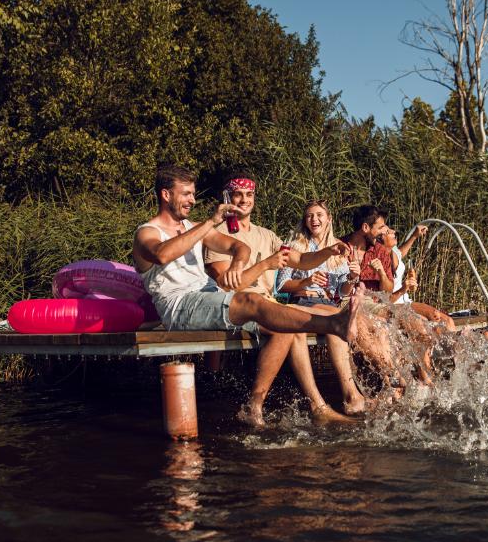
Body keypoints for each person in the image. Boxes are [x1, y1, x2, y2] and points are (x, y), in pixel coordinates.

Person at [131, 164, 363, 425]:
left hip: (208, 298)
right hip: (179, 305)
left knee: (281, 325)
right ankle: (334, 324)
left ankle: (255, 406)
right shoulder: (147, 232)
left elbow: (239, 246)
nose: (192, 200)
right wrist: (210, 223)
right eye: (186, 194)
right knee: (252, 300)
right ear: (166, 195)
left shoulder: (198, 228)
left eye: (193, 194)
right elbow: (162, 254)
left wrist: (238, 262)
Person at [205, 180, 368, 422]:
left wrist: (328, 252)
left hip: (268, 304)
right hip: (237, 305)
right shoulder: (217, 235)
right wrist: (266, 265)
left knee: (295, 323)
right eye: (237, 195)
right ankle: (317, 403)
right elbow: (227, 285)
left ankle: (331, 401)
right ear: (227, 197)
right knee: (292, 324)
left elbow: (300, 260)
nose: (244, 200)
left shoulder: (267, 235)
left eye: (249, 194)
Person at [275, 200, 353, 306]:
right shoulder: (295, 246)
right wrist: (307, 281)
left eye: (319, 215)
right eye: (309, 216)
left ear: (329, 219)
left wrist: (352, 277)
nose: (314, 219)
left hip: (328, 303)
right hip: (303, 300)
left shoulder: (338, 248)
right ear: (305, 221)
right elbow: (281, 285)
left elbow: (343, 291)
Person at [382, 225, 456, 329]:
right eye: (388, 231)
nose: (393, 231)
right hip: (393, 304)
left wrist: (414, 236)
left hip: (405, 301)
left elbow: (401, 253)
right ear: (380, 239)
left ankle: (455, 338)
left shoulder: (393, 250)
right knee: (432, 319)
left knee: (448, 320)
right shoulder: (379, 261)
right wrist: (403, 288)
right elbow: (384, 300)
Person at [341, 205, 394, 293]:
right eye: (380, 228)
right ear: (365, 227)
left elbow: (388, 292)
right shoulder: (339, 248)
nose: (384, 232)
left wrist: (382, 273)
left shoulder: (381, 252)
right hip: (343, 300)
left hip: (373, 301)